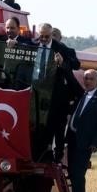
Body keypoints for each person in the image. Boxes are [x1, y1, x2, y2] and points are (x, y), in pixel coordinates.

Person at [31, 23, 83, 161]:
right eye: (40, 36)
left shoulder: (62, 49)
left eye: (46, 36)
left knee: (58, 129)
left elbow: (76, 64)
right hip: (35, 95)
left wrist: (63, 61)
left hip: (56, 97)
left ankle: (57, 157)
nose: (43, 39)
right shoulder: (32, 45)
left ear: (51, 35)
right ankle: (39, 155)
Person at [66, 69, 97, 192]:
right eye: (86, 78)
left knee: (78, 172)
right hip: (72, 139)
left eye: (91, 79)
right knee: (71, 171)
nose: (88, 81)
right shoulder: (80, 95)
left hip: (85, 142)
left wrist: (96, 142)